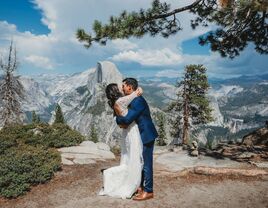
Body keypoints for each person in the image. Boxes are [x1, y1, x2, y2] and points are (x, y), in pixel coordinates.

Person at [98, 83, 144, 199]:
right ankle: (133, 183)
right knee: (134, 158)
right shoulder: (121, 101)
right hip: (132, 131)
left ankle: (128, 179)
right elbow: (136, 94)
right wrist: (138, 90)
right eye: (119, 87)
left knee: (128, 157)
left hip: (125, 134)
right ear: (115, 91)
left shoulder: (115, 102)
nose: (121, 88)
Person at [116, 78, 158, 201]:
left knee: (146, 163)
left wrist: (117, 120)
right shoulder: (134, 99)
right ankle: (140, 187)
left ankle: (149, 191)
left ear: (130, 87)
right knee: (141, 162)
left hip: (146, 135)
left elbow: (127, 119)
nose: (122, 88)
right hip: (142, 134)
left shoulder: (137, 101)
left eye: (123, 86)